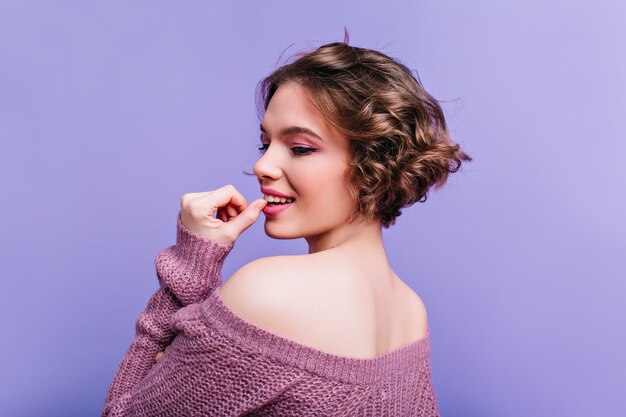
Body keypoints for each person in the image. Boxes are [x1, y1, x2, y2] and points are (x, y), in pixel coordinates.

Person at [102, 35, 472, 417]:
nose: (263, 166)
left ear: (375, 165)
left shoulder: (266, 292)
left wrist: (191, 263)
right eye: (266, 144)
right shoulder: (411, 314)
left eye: (299, 148)